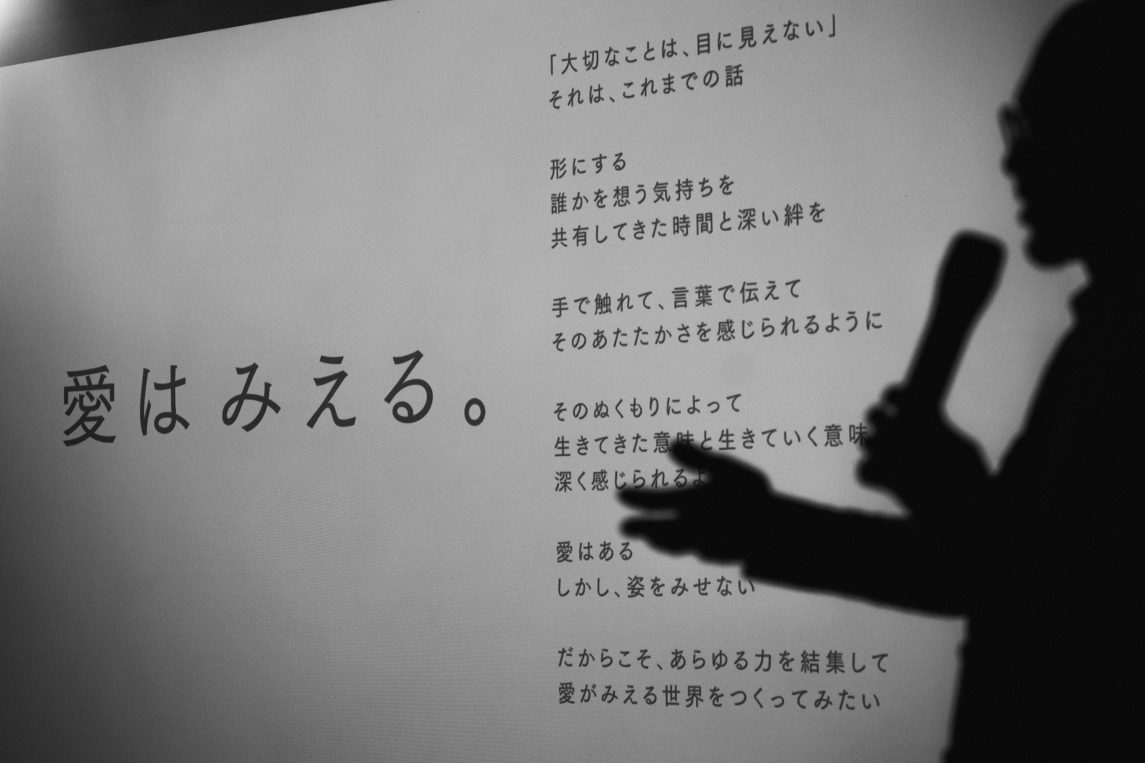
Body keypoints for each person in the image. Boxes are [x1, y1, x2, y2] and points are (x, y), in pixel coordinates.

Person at [618, 2, 1143, 759]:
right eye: (1011, 129)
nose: (1011, 162)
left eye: (1035, 129)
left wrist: (953, 494)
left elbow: (1073, 613)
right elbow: (1011, 567)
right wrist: (766, 528)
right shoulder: (1097, 342)